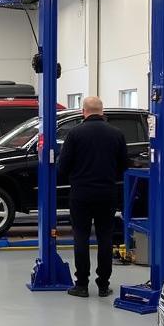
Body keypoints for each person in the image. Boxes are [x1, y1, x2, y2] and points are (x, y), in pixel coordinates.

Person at [56, 96, 129, 299]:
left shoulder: (75, 133)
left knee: (81, 237)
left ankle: (81, 285)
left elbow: (63, 167)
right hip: (107, 193)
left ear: (83, 112)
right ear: (102, 111)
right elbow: (124, 165)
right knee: (105, 238)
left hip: (81, 194)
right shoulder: (116, 134)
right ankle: (104, 285)